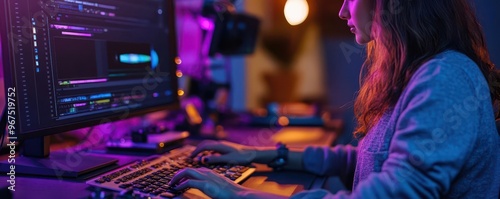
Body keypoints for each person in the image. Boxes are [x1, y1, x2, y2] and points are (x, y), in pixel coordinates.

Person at [168, 0, 500, 198]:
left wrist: (240, 194)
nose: (342, 10)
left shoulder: (446, 77)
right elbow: (363, 161)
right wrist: (258, 153)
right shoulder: (421, 72)